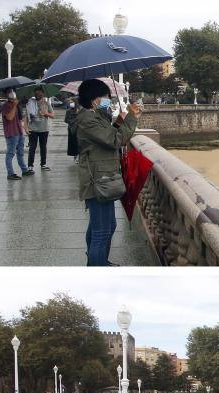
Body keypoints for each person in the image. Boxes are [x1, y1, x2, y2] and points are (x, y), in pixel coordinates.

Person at [75, 78, 142, 266]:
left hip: (104, 176)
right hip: (97, 179)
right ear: (95, 98)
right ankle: (97, 265)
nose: (108, 100)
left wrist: (119, 123)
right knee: (102, 231)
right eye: (105, 97)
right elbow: (114, 141)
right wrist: (131, 118)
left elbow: (107, 137)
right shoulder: (88, 119)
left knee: (104, 226)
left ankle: (99, 261)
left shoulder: (95, 116)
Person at [1, 89, 34, 181]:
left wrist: (25, 129)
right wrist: (15, 106)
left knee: (20, 153)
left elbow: (20, 118)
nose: (12, 93)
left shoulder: (17, 105)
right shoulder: (5, 106)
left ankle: (24, 170)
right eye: (10, 92)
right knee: (10, 153)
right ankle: (10, 174)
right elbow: (10, 117)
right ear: (6, 95)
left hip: (19, 132)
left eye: (13, 91)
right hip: (11, 133)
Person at [26, 87, 54, 172]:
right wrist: (25, 127)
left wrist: (46, 113)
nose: (37, 95)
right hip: (33, 129)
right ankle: (30, 166)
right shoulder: (31, 102)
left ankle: (43, 164)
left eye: (39, 93)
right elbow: (26, 116)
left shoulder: (46, 103)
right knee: (32, 148)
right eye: (36, 93)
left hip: (44, 129)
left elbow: (53, 115)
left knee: (43, 147)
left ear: (43, 93)